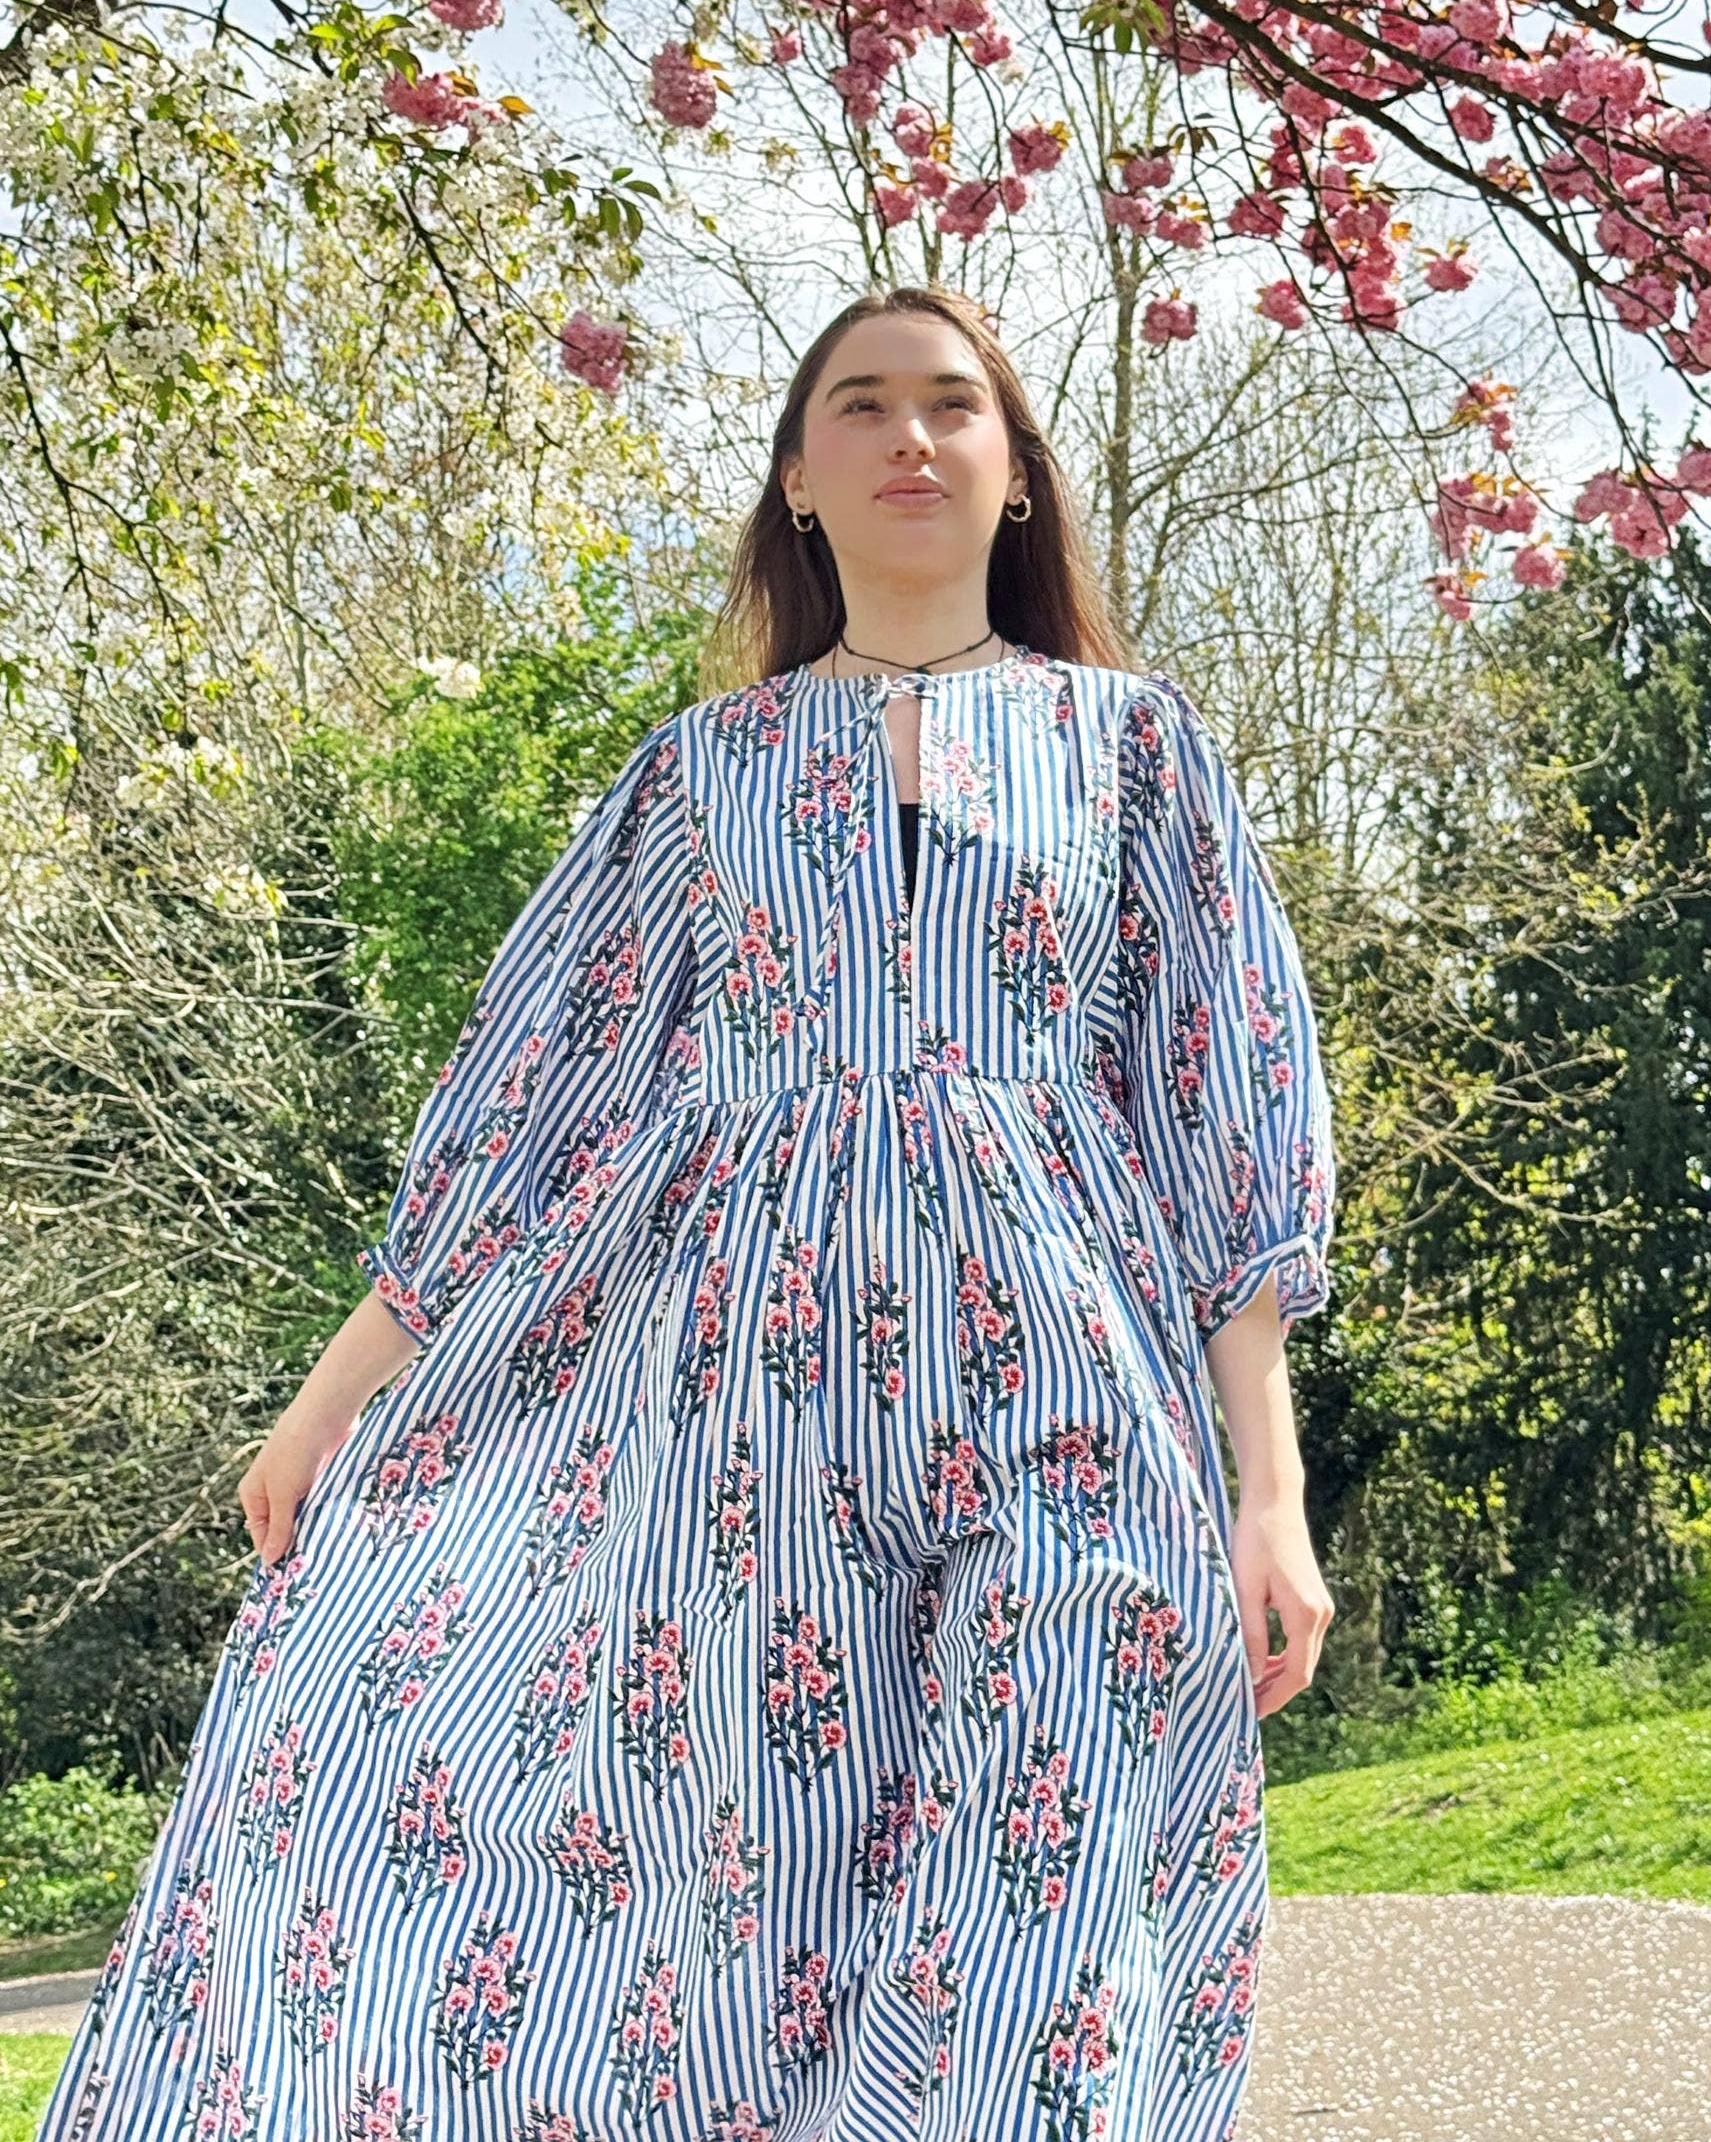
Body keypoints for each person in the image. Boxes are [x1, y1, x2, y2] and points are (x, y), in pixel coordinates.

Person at [38, 283, 1338, 2142]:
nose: (909, 437)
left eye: (953, 404)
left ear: (1017, 473)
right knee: (756, 1904)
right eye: (861, 406)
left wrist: (1269, 1492)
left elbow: (1228, 1114)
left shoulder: (1137, 749)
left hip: (1070, 1379)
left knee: (1054, 1873)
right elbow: (533, 1097)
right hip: (745, 1414)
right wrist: (332, 1401)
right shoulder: (696, 774)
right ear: (800, 479)